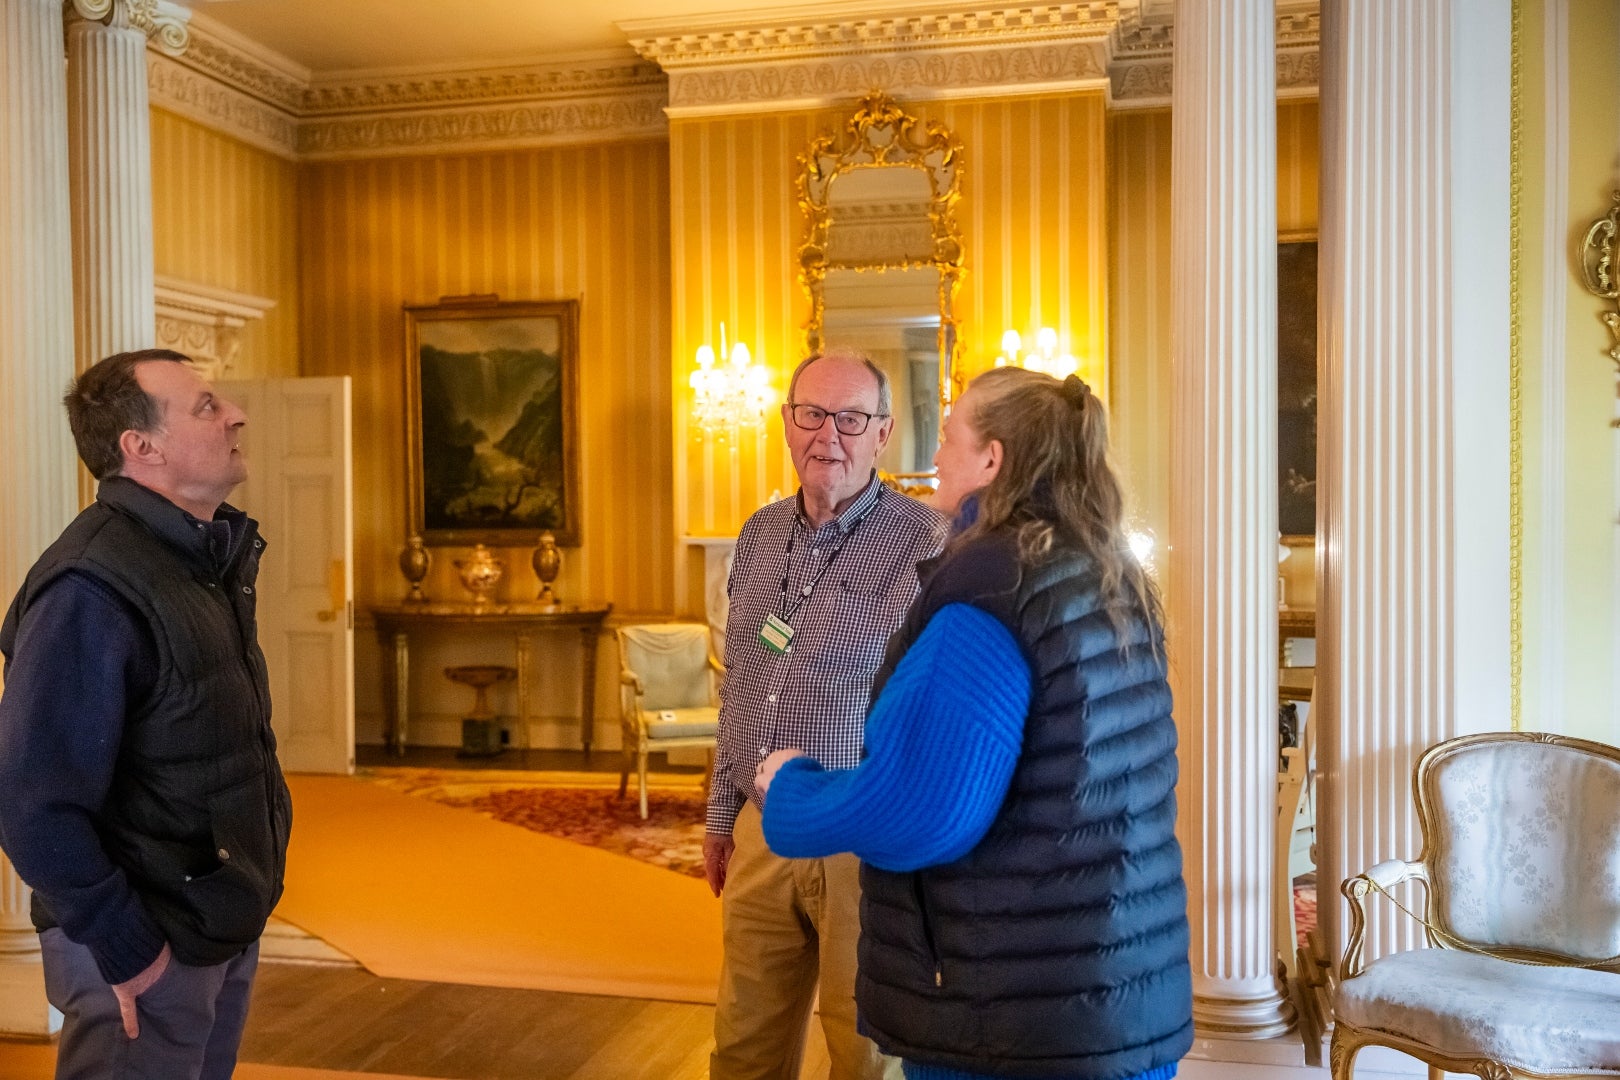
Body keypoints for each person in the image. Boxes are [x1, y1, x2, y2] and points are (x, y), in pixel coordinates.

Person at [756, 366, 1193, 1080]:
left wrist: (793, 789)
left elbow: (924, 812)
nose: (935, 454)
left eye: (951, 435)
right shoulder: (1101, 573)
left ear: (992, 459)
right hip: (1106, 983)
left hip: (1014, 1014)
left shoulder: (993, 587)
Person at [0, 348, 292, 1080]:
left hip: (213, 920)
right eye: (204, 405)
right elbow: (33, 802)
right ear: (142, 447)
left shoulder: (201, 556)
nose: (235, 414)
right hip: (143, 944)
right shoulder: (92, 584)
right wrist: (131, 952)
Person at [706, 349, 947, 1080]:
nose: (828, 436)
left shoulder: (927, 542)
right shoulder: (757, 535)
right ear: (786, 423)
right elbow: (740, 686)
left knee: (863, 1045)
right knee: (744, 1042)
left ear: (883, 433)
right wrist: (722, 815)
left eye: (850, 419)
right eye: (812, 414)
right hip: (764, 826)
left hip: (862, 836)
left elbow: (937, 707)